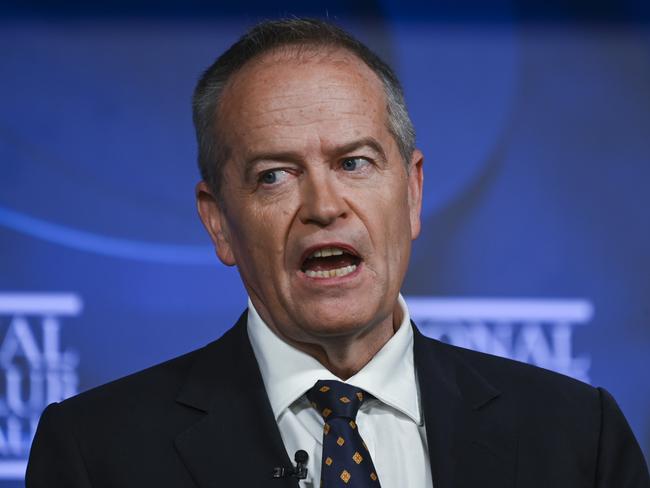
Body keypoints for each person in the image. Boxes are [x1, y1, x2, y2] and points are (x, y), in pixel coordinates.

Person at [26, 18, 649, 488]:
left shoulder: (576, 437)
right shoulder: (96, 453)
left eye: (354, 163)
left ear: (411, 192)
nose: (324, 205)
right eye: (275, 175)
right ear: (218, 221)